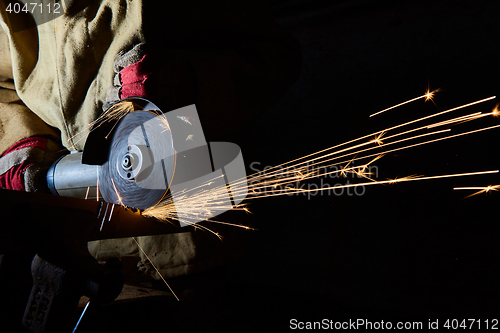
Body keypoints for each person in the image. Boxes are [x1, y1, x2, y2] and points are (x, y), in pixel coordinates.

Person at [0, 0, 301, 282]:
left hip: (195, 241)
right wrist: (26, 148)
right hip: (86, 245)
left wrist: (180, 82)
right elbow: (4, 86)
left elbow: (274, 55)